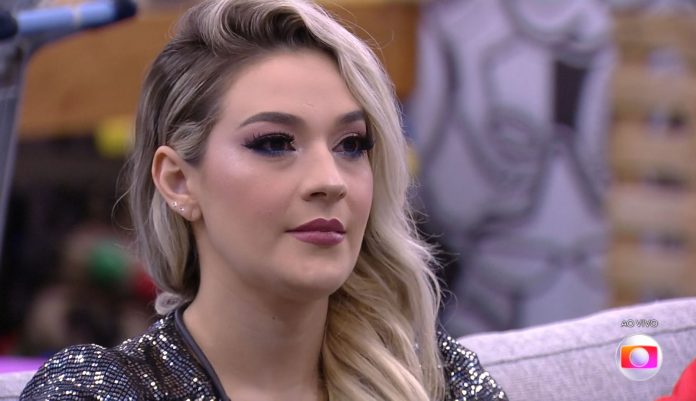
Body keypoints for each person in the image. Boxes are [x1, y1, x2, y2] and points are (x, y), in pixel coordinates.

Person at [20, 0, 507, 400]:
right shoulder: (99, 390)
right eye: (275, 143)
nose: (330, 180)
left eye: (351, 145)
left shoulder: (431, 378)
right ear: (179, 181)